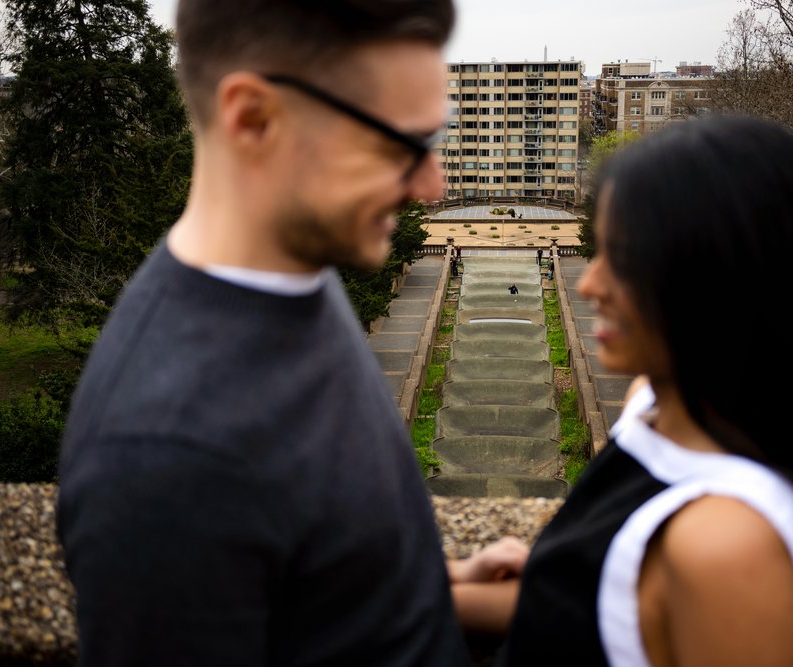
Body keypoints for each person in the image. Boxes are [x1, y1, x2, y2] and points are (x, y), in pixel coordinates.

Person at [56, 2, 487, 664]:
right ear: (253, 118)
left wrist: (428, 584)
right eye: (400, 147)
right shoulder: (166, 462)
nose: (433, 185)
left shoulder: (298, 271)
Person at [485, 116, 793, 666]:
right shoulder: (656, 407)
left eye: (627, 259)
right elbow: (577, 610)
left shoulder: (726, 546)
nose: (590, 284)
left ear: (719, 279)